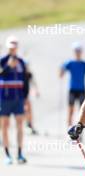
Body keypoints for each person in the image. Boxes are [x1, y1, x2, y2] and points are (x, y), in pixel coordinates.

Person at [0, 36, 27, 164]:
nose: (13, 48)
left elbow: (25, 80)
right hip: (4, 98)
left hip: (18, 98)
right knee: (4, 126)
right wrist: (9, 67)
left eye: (15, 46)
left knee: (20, 125)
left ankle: (20, 153)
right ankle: (7, 154)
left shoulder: (22, 62)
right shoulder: (2, 61)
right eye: (11, 46)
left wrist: (25, 97)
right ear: (8, 47)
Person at [60, 42, 85, 127]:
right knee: (70, 110)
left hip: (81, 89)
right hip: (72, 89)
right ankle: (69, 129)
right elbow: (61, 75)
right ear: (74, 52)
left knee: (81, 111)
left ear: (81, 52)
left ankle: (79, 131)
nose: (77, 52)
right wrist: (62, 67)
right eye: (76, 51)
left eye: (79, 51)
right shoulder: (70, 63)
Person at [23, 63, 40, 135]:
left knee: (29, 110)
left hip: (26, 95)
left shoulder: (29, 74)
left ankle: (30, 124)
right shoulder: (20, 74)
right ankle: (27, 124)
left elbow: (33, 82)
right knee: (25, 110)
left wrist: (36, 90)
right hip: (20, 95)